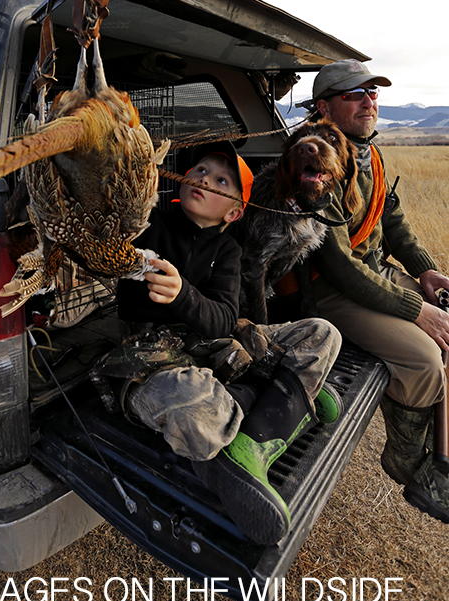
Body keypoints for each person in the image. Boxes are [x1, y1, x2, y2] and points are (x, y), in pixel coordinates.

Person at [107, 141, 342, 546]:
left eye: (220, 180)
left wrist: (183, 293)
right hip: (156, 361)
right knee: (195, 397)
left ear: (234, 213)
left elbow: (223, 319)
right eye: (199, 170)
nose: (203, 179)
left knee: (322, 333)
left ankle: (249, 443)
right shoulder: (151, 226)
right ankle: (283, 397)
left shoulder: (229, 250)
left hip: (217, 346)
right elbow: (119, 251)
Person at [299, 59, 449, 522]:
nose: (369, 102)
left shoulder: (369, 153)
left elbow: (394, 219)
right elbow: (338, 264)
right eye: (355, 94)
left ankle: (439, 455)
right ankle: (407, 463)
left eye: (373, 94)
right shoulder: (315, 158)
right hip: (328, 291)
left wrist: (424, 271)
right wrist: (414, 309)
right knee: (424, 359)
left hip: (373, 275)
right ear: (324, 107)